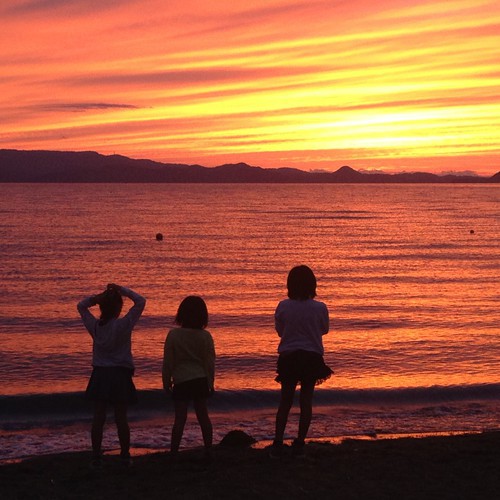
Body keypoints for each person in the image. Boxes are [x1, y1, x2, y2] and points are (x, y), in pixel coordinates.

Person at [77, 283, 146, 468]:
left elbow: (81, 306)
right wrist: (122, 290)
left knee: (98, 418)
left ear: (101, 307)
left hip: (101, 374)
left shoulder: (96, 326)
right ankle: (124, 455)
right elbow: (140, 301)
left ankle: (96, 457)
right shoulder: (123, 325)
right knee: (121, 418)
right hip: (120, 375)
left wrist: (97, 298)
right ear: (119, 308)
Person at [270, 265, 332, 458]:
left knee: (285, 401)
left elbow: (280, 331)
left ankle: (278, 441)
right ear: (312, 285)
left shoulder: (283, 306)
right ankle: (299, 441)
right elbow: (324, 330)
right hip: (311, 357)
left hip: (289, 357)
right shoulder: (320, 307)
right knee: (306, 401)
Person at [162, 296, 215, 459]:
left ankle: (174, 452)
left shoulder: (174, 335)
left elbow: (168, 361)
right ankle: (208, 449)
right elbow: (209, 362)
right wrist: (210, 383)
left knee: (180, 419)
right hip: (199, 379)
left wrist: (166, 382)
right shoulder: (205, 336)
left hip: (181, 380)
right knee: (203, 416)